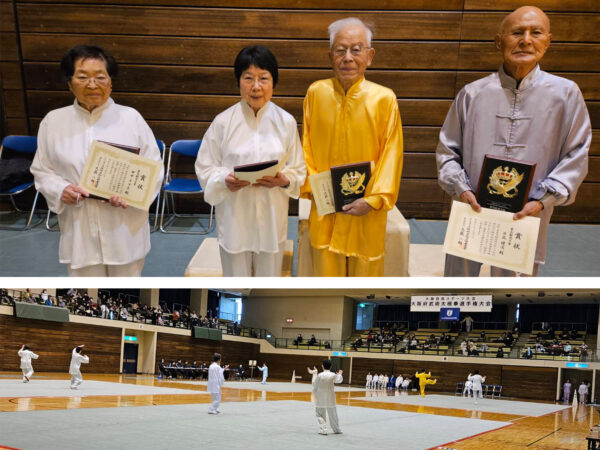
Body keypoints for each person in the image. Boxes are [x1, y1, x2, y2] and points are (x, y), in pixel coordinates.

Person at [436, 6, 590, 277]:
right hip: (471, 211)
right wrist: (461, 189)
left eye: (536, 33)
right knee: (458, 291)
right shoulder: (472, 94)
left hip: (527, 214)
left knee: (513, 297)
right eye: (517, 32)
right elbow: (447, 152)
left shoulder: (565, 95)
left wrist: (543, 199)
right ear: (499, 42)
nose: (526, 40)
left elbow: (576, 154)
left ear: (548, 41)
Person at [30, 45, 163, 277]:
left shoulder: (131, 118)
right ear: (70, 83)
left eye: (100, 77)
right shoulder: (53, 122)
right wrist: (61, 190)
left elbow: (154, 168)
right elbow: (42, 171)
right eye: (83, 77)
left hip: (124, 225)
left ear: (110, 81)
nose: (93, 84)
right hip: (80, 228)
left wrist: (131, 195)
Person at [300, 17, 403, 276]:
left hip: (365, 210)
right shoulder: (316, 93)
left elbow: (392, 153)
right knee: (326, 276)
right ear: (330, 55)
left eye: (356, 50)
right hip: (326, 206)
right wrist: (316, 188)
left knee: (365, 278)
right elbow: (306, 148)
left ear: (370, 56)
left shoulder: (384, 99)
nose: (347, 58)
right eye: (340, 50)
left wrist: (373, 200)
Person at [195, 45, 306, 277]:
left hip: (271, 213)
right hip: (236, 213)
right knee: (235, 278)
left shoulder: (285, 122)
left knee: (270, 275)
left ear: (273, 82)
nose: (256, 87)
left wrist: (284, 180)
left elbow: (298, 168)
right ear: (239, 81)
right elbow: (205, 166)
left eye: (263, 78)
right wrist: (224, 179)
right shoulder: (223, 122)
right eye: (248, 78)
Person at [312, 359, 343, 435]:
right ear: (331, 366)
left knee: (319, 414)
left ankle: (323, 429)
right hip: (331, 397)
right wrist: (340, 374)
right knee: (333, 414)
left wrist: (314, 395)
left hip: (321, 397)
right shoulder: (333, 375)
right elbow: (339, 380)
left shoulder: (320, 375)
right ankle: (337, 429)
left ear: (322, 366)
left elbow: (315, 385)